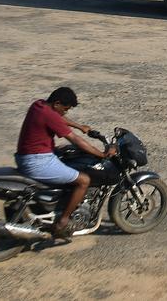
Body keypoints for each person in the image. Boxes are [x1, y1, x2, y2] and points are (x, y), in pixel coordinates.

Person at [14, 87, 116, 237]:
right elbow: (75, 139)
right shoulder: (49, 115)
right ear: (57, 103)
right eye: (65, 109)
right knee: (83, 180)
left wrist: (80, 126)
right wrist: (101, 154)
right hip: (37, 161)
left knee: (67, 152)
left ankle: (60, 202)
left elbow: (59, 119)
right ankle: (63, 221)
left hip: (28, 155)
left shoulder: (39, 105)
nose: (65, 113)